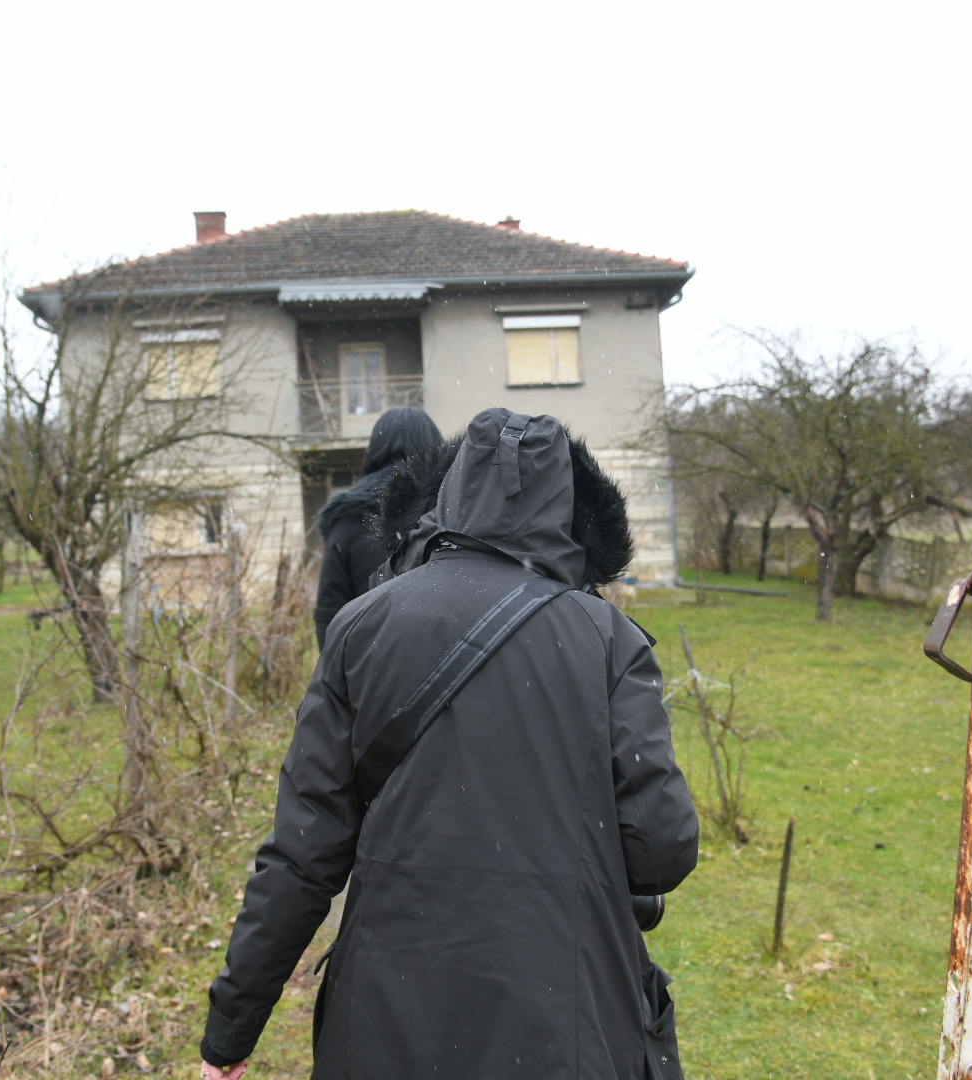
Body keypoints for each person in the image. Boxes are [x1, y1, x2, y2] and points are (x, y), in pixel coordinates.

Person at [200, 408, 699, 1080]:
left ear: (453, 492)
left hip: (384, 1025)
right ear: (570, 509)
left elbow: (300, 859)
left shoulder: (360, 628)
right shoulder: (609, 639)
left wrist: (232, 1029)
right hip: (562, 1023)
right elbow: (660, 852)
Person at [312, 406, 444, 648]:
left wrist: (340, 680)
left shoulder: (347, 517)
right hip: (449, 661)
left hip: (372, 665)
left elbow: (329, 613)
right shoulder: (454, 506)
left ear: (375, 451)